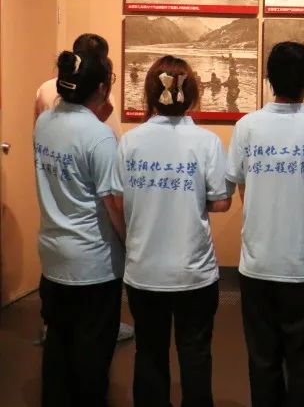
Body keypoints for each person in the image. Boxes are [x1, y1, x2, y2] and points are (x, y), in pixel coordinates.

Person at [226, 42, 304, 407]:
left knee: (263, 360)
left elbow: (242, 187)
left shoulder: (246, 126)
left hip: (258, 262)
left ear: (269, 79)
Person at [114, 56, 232, 406]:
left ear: (150, 94)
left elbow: (118, 200)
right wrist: (192, 199)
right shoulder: (207, 142)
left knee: (149, 353)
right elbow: (221, 203)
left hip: (144, 270)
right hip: (193, 271)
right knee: (195, 354)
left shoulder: (130, 142)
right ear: (191, 94)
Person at [35, 50, 124, 407]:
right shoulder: (100, 137)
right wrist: (131, 246)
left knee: (57, 347)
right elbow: (113, 204)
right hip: (92, 264)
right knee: (92, 355)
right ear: (101, 88)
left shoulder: (44, 122)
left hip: (52, 258)